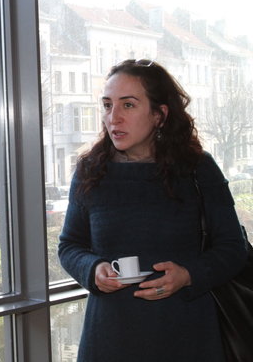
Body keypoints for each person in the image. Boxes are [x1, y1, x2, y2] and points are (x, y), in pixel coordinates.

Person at [58, 59, 248, 361]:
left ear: (160, 115)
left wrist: (187, 275)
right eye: (107, 105)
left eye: (128, 105)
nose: (113, 118)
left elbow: (233, 249)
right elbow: (69, 246)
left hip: (187, 334)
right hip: (109, 337)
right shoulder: (90, 169)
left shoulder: (198, 169)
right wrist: (92, 269)